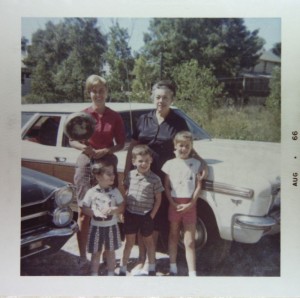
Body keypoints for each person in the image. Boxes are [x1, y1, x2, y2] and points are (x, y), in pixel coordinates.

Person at [123, 80, 207, 273]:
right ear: (153, 97)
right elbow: (132, 149)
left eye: (166, 97)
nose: (161, 100)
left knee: (158, 219)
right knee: (143, 216)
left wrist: (201, 163)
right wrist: (126, 175)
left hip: (165, 179)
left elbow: (187, 146)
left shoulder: (178, 122)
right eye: (158, 96)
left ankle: (151, 261)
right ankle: (142, 260)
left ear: (172, 99)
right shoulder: (143, 119)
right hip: (142, 178)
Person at [69, 74, 126, 269]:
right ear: (89, 92)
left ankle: (105, 256)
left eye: (102, 90)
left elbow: (121, 143)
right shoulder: (82, 115)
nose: (98, 94)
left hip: (107, 162)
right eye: (94, 90)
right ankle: (83, 256)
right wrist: (84, 148)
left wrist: (107, 150)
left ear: (106, 92)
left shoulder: (114, 116)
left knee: (108, 209)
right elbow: (71, 139)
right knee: (85, 211)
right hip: (86, 163)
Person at [162, 131, 203, 276]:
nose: (183, 149)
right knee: (173, 235)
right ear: (175, 146)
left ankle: (192, 272)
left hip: (190, 205)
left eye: (187, 146)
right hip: (174, 204)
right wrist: (172, 203)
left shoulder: (196, 164)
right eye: (181, 145)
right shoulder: (169, 164)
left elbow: (199, 186)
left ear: (191, 147)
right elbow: (166, 186)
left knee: (190, 240)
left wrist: (191, 203)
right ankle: (173, 267)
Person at [119, 145, 164, 276]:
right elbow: (127, 193)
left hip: (146, 215)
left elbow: (158, 199)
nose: (143, 164)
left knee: (148, 241)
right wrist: (122, 211)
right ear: (133, 162)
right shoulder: (130, 175)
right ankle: (123, 267)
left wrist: (152, 215)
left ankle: (151, 267)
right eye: (140, 161)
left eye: (146, 160)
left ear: (151, 161)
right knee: (129, 242)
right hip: (131, 214)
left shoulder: (155, 179)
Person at [80, 159, 125, 276]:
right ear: (98, 177)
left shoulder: (115, 191)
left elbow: (122, 206)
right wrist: (94, 212)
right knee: (96, 252)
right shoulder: (91, 192)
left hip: (111, 227)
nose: (113, 176)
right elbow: (84, 208)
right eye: (108, 174)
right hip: (96, 227)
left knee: (111, 252)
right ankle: (94, 273)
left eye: (113, 173)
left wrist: (114, 209)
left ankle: (111, 273)